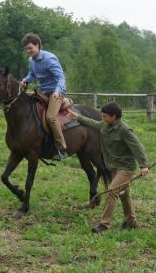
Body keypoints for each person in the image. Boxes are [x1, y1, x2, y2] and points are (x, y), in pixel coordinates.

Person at [68, 102, 149, 233]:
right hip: (113, 166)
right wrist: (77, 117)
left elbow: (137, 147)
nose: (103, 118)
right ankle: (131, 221)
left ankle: (104, 225)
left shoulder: (124, 130)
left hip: (125, 168)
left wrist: (144, 165)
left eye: (105, 116)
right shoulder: (105, 125)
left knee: (112, 191)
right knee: (124, 194)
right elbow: (92, 123)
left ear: (114, 116)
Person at [19, 32, 68, 160]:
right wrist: (25, 80)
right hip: (42, 92)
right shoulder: (31, 60)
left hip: (56, 92)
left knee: (51, 117)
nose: (28, 51)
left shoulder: (49, 59)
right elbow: (32, 74)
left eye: (30, 48)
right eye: (26, 49)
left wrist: (58, 91)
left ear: (37, 45)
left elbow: (60, 78)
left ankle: (62, 148)